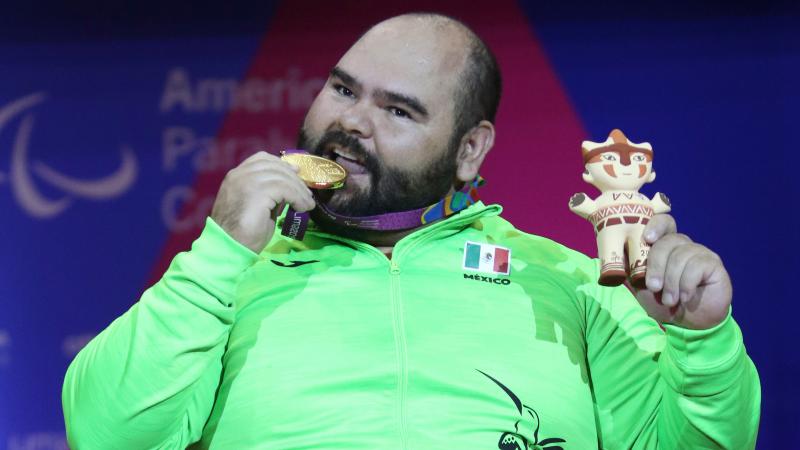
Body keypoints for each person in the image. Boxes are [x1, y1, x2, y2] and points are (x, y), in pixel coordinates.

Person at [62, 13, 760, 450]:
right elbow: (105, 434)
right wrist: (217, 255)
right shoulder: (227, 277)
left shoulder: (575, 284)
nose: (351, 123)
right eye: (342, 89)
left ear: (469, 150)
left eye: (398, 111)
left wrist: (700, 341)